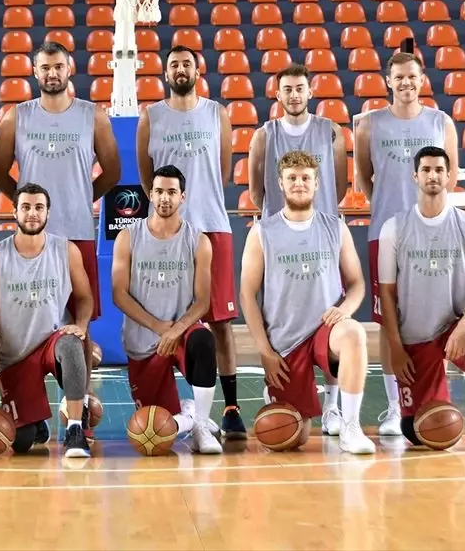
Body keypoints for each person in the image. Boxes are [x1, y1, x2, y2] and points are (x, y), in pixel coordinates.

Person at [0, 40, 120, 436]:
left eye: (58, 66)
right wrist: (28, 206)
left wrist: (81, 197)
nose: (52, 73)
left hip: (77, 233)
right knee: (28, 322)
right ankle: (31, 403)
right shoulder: (18, 117)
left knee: (80, 328)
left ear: (69, 68)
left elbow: (111, 171)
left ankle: (77, 416)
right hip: (32, 237)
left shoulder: (92, 116)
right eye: (45, 67)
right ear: (35, 71)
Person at [137, 45, 245, 439]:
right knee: (167, 317)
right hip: (167, 231)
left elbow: (224, 171)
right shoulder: (151, 116)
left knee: (219, 322)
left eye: (186, 63)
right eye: (173, 64)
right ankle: (177, 403)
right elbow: (149, 177)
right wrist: (171, 210)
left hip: (211, 225)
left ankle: (230, 407)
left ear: (197, 70)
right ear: (165, 72)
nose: (180, 69)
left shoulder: (217, 113)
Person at [239, 151, 376, 455]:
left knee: (353, 333)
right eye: (292, 178)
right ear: (280, 184)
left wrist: (344, 310)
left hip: (325, 330)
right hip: (286, 341)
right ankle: (280, 394)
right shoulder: (262, 232)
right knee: (291, 438)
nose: (299, 184)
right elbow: (247, 295)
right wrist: (265, 351)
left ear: (316, 184)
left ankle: (349, 425)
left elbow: (357, 284)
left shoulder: (335, 227)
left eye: (305, 178)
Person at [377, 146, 465, 452]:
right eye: (426, 170)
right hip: (416, 336)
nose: (433, 176)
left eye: (439, 170)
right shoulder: (395, 227)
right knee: (418, 430)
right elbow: (386, 292)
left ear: (449, 177)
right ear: (415, 176)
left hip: (453, 327)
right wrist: (396, 348)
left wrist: (463, 328)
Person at [353, 49, 458, 437]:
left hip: (432, 235)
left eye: (412, 76)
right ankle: (395, 407)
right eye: (398, 77)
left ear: (422, 78)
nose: (406, 83)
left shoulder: (440, 122)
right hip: (386, 233)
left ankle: (433, 396)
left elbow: (451, 176)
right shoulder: (369, 125)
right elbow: (364, 179)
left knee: (437, 317)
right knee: (387, 322)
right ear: (388, 81)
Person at [248, 63, 348, 435]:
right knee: (280, 315)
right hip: (280, 234)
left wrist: (322, 220)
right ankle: (276, 378)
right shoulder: (265, 135)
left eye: (300, 88)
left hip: (321, 234)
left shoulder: (330, 131)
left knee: (332, 314)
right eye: (287, 89)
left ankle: (335, 407)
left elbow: (338, 182)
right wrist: (274, 220)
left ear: (310, 93)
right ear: (278, 94)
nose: (293, 95)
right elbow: (257, 189)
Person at [112, 165, 223, 454]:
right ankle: (189, 414)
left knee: (203, 340)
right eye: (159, 191)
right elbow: (119, 295)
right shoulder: (129, 237)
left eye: (172, 192)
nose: (164, 198)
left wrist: (176, 329)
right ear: (150, 194)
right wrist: (161, 328)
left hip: (182, 334)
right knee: (154, 429)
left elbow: (202, 301)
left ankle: (199, 427)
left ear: (182, 197)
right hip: (144, 344)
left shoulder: (198, 241)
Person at [0, 184, 95, 459]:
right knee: (21, 441)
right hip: (16, 356)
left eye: (39, 207)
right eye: (26, 207)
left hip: (52, 343)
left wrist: (80, 325)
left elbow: (85, 297)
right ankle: (36, 421)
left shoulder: (66, 250)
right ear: (14, 212)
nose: (32, 213)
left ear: (48, 213)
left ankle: (75, 429)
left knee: (70, 343)